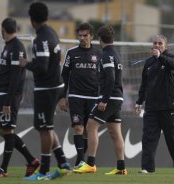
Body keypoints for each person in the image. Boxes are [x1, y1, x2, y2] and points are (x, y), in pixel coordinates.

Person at [19, 2, 70, 180]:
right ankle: (62, 163)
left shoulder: (41, 38)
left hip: (47, 88)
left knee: (44, 129)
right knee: (46, 127)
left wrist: (26, 64)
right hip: (56, 85)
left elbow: (41, 66)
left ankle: (44, 171)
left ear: (32, 19)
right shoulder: (52, 33)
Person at [73, 25, 127, 175]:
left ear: (99, 39)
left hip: (110, 97)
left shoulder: (106, 55)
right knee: (115, 132)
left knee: (90, 126)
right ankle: (121, 167)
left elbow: (110, 78)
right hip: (117, 98)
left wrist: (104, 99)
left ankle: (90, 164)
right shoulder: (116, 53)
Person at [0, 17, 40, 177]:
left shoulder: (17, 47)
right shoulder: (7, 47)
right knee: (4, 131)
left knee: (7, 130)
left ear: (3, 29)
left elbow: (15, 78)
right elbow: (2, 72)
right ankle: (31, 160)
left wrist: (8, 101)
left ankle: (3, 169)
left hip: (8, 96)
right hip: (2, 94)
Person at [135, 34, 174, 174]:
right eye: (155, 43)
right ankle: (147, 168)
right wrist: (139, 102)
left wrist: (160, 56)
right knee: (148, 139)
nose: (157, 46)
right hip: (151, 108)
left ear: (165, 46)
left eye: (160, 43)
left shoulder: (170, 58)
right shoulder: (149, 63)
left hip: (169, 106)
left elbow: (173, 64)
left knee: (173, 139)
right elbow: (144, 84)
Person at [60, 23, 102, 168]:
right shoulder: (71, 53)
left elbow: (104, 77)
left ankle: (84, 161)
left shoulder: (99, 54)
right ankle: (80, 160)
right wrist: (62, 97)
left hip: (93, 97)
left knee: (87, 131)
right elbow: (64, 76)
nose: (82, 38)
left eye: (85, 35)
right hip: (75, 96)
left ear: (91, 36)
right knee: (78, 128)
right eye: (80, 35)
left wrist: (103, 97)